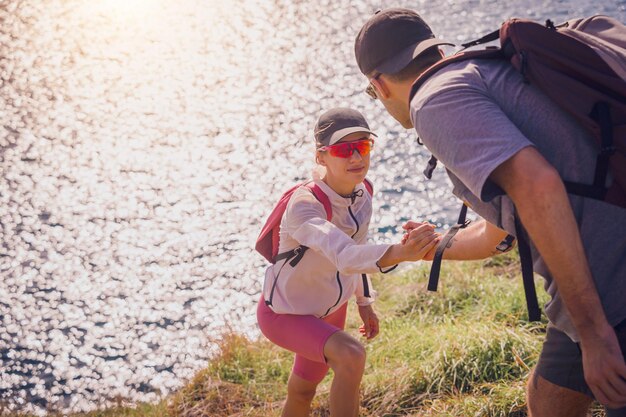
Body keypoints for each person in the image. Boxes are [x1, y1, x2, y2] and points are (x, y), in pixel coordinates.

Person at [353, 8, 626, 417]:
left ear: (378, 84)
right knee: (548, 399)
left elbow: (538, 186)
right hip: (595, 268)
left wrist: (594, 334)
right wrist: (433, 247)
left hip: (610, 284)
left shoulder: (433, 102)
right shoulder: (482, 70)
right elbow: (499, 231)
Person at [257, 107, 439, 417]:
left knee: (302, 391)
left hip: (332, 308)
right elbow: (344, 255)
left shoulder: (362, 191)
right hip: (287, 313)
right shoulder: (305, 205)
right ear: (321, 156)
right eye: (344, 149)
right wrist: (401, 252)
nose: (356, 157)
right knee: (352, 355)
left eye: (363, 146)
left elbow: (358, 247)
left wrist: (364, 302)